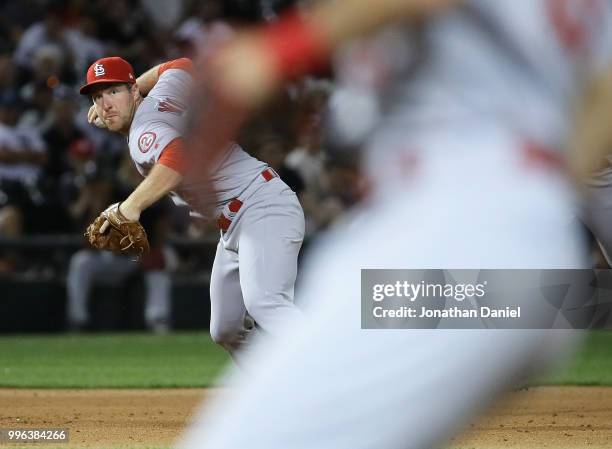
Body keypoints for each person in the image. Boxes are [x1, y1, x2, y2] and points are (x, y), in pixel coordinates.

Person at [178, 1, 612, 448]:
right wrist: (540, 204)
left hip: (451, 224)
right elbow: (602, 96)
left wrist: (279, 50)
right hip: (515, 256)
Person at [79, 56, 305, 361]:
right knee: (225, 329)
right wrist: (134, 89)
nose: (105, 104)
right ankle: (282, 393)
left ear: (134, 92)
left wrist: (130, 207)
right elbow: (181, 65)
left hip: (260, 207)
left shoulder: (144, 132)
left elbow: (178, 158)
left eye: (113, 91)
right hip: (243, 214)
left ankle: (344, 373)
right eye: (98, 96)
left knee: (266, 303)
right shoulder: (161, 95)